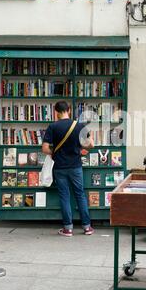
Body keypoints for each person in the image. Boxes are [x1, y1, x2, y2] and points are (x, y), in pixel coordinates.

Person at [42, 101, 94, 237]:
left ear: (56, 112)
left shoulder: (53, 127)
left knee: (64, 196)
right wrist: (80, 149)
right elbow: (91, 145)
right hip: (76, 166)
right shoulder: (79, 126)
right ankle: (87, 227)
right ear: (69, 110)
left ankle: (68, 229)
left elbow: (45, 148)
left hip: (60, 167)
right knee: (80, 195)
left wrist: (55, 153)